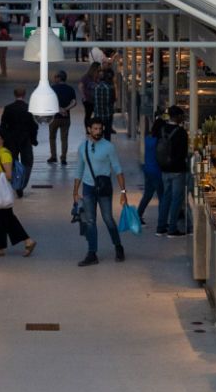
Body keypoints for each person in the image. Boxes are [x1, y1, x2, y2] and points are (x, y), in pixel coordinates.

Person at [71, 116, 127, 266]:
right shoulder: (83, 147)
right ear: (89, 129)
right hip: (88, 188)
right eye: (95, 129)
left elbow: (118, 169)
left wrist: (123, 192)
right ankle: (92, 252)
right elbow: (79, 170)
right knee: (90, 221)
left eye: (100, 129)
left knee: (108, 219)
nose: (98, 131)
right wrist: (75, 191)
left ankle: (118, 246)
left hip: (104, 188)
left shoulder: (108, 147)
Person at [0, 131, 35, 258]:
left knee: (7, 219)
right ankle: (0, 248)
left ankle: (27, 241)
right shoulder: (1, 153)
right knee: (2, 220)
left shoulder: (5, 154)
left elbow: (9, 175)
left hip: (2, 191)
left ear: (3, 140)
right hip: (1, 191)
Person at [156, 103, 191, 237]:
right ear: (177, 117)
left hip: (164, 168)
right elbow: (183, 152)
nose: (183, 118)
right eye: (181, 116)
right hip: (177, 170)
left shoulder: (163, 129)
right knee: (177, 200)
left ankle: (160, 227)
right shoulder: (181, 133)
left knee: (166, 198)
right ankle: (172, 228)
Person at [0, 93, 38, 193]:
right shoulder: (29, 108)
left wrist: (4, 139)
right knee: (27, 162)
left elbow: (3, 126)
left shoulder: (8, 108)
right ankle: (22, 184)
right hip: (25, 139)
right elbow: (34, 126)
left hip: (11, 140)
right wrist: (33, 139)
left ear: (14, 95)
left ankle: (16, 182)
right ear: (24, 95)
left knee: (12, 162)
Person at [139, 112, 165, 227]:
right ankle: (162, 221)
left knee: (147, 195)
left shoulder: (148, 139)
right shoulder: (159, 142)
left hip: (147, 169)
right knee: (162, 197)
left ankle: (138, 215)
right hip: (157, 171)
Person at [46, 69, 77, 164]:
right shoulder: (70, 89)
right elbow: (74, 102)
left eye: (55, 77)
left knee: (52, 137)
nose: (54, 78)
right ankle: (63, 158)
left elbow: (50, 102)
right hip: (66, 118)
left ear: (59, 78)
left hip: (54, 118)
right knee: (64, 138)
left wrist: (59, 109)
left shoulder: (52, 88)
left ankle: (53, 156)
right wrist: (65, 109)